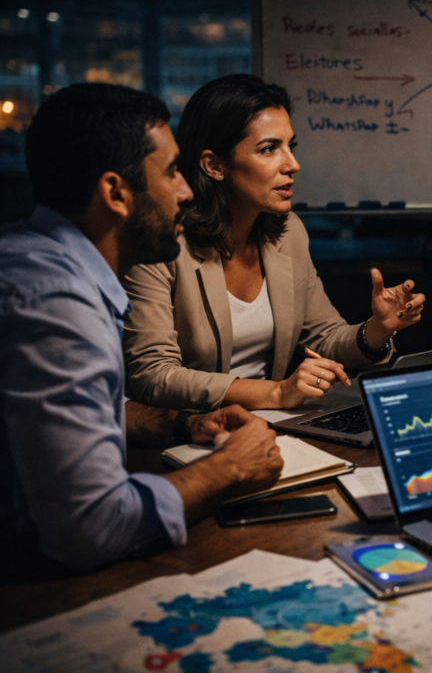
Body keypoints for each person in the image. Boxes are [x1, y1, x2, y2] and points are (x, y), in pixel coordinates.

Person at [0, 83, 284, 572]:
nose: (187, 191)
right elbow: (93, 527)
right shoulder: (56, 304)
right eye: (172, 172)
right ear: (115, 192)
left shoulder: (39, 258)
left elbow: (92, 407)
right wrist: (230, 467)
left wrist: (184, 424)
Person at [122, 74, 426, 412]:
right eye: (269, 149)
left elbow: (323, 338)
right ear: (214, 165)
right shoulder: (161, 243)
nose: (292, 165)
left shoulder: (288, 232)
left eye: (290, 146)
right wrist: (276, 393)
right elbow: (152, 375)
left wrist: (377, 329)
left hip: (272, 425)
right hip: (189, 435)